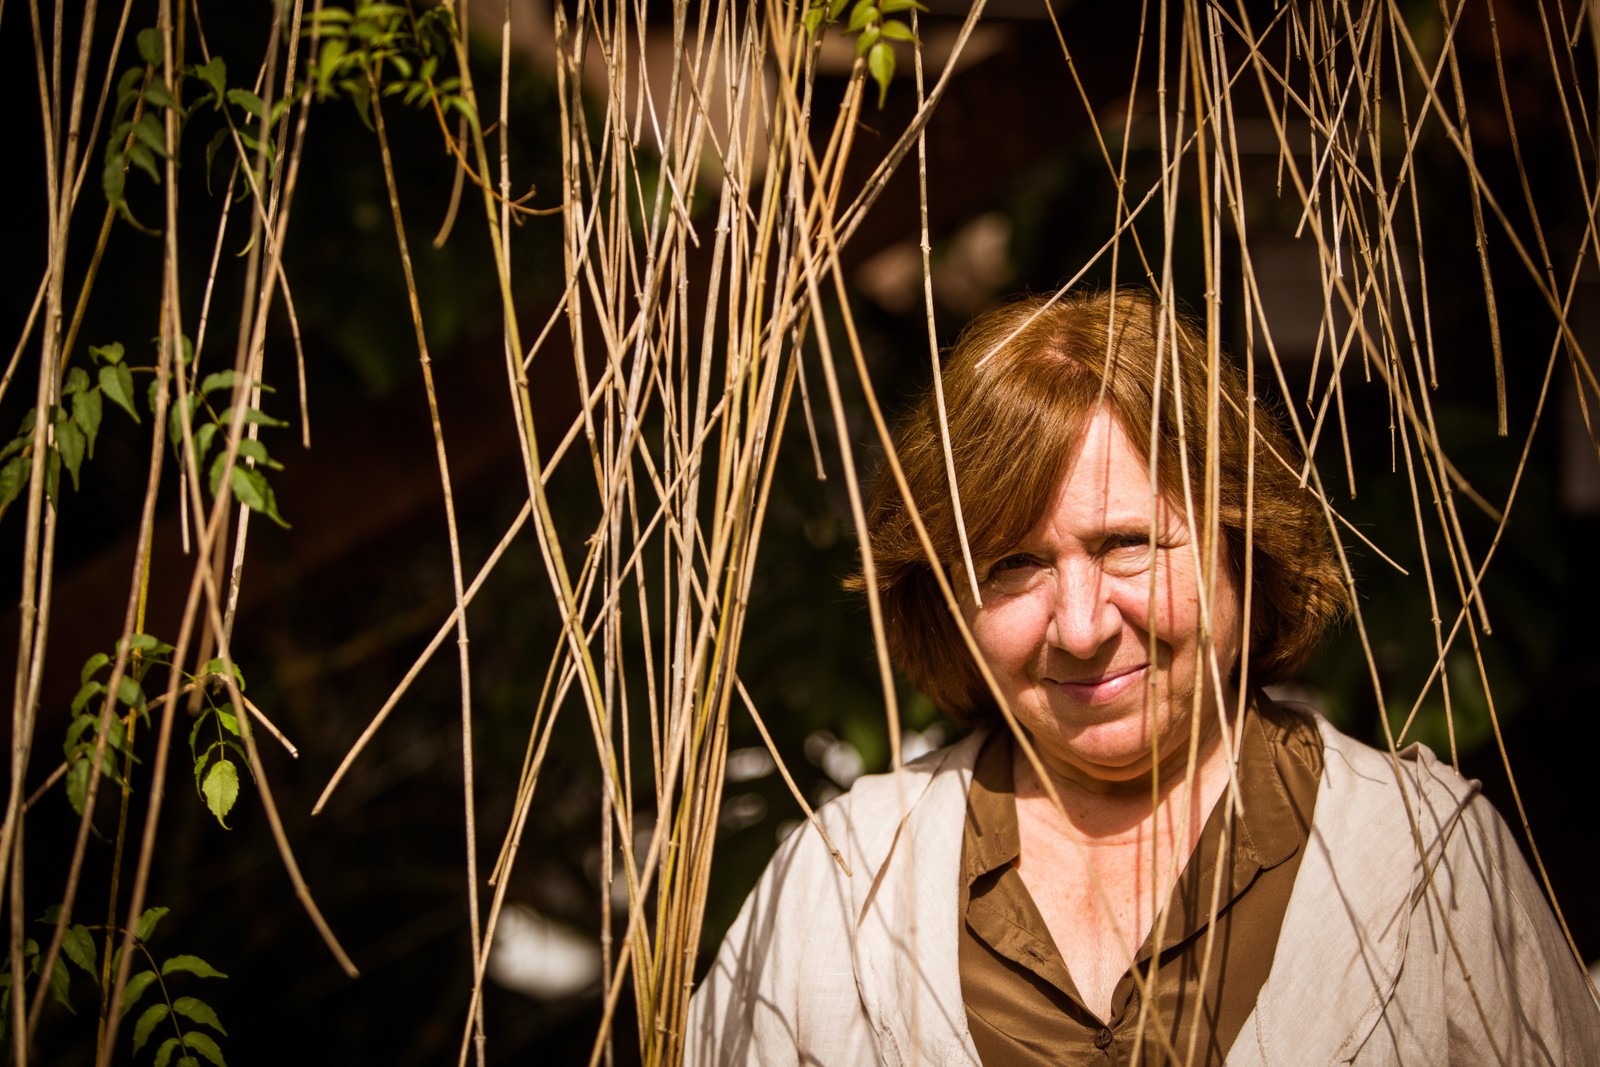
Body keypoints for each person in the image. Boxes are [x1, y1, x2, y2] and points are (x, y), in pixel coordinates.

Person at [687, 289, 1600, 1065]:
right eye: (1012, 563)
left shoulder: (1425, 864)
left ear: (1248, 544)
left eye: (1128, 544)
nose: (1081, 628)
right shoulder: (841, 887)